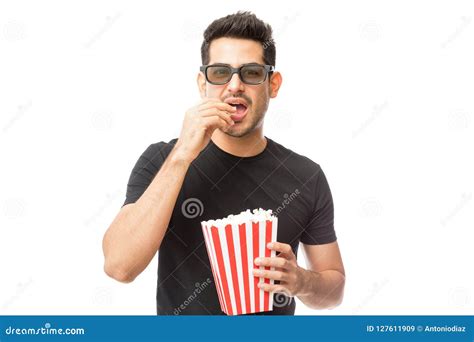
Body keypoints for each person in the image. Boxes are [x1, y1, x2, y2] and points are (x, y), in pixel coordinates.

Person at [102, 11, 345, 315]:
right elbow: (119, 267)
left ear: (273, 84)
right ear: (202, 83)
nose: (234, 86)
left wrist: (301, 281)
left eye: (251, 73)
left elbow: (334, 289)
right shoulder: (162, 159)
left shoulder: (306, 176)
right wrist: (181, 156)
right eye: (220, 73)